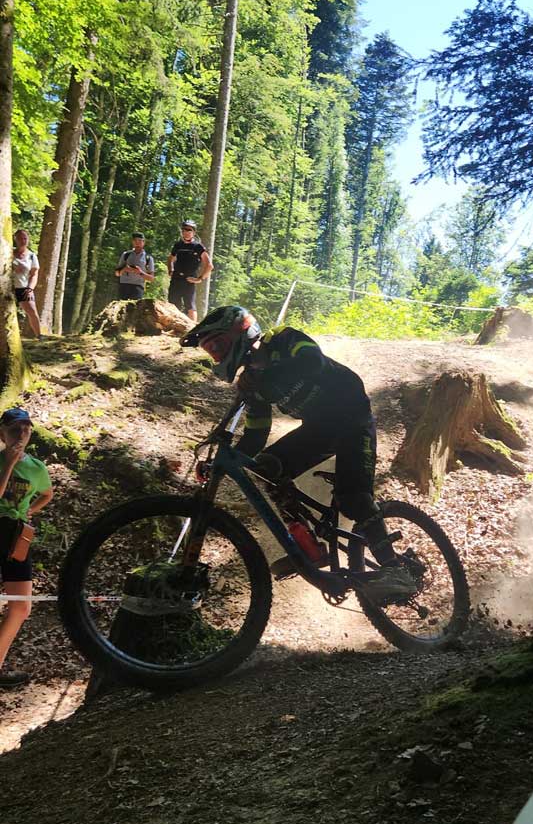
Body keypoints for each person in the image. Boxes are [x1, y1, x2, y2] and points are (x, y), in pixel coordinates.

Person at [180, 306, 415, 605]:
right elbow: (255, 436)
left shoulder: (283, 339)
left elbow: (312, 362)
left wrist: (265, 377)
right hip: (320, 429)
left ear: (240, 333)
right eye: (210, 351)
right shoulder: (252, 384)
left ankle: (396, 570)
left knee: (354, 499)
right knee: (266, 467)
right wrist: (222, 464)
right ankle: (309, 548)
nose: (216, 355)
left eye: (217, 346)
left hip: (353, 419)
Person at [0, 408, 53, 687]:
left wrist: (30, 510)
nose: (21, 434)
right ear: (2, 434)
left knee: (21, 606)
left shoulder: (37, 467)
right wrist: (9, 463)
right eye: (15, 429)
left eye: (26, 429)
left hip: (17, 534)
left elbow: (47, 493)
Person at [167, 220, 213, 321]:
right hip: (176, 279)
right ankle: (173, 327)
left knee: (190, 307)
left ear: (194, 232)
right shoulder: (178, 245)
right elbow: (170, 258)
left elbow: (209, 265)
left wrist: (200, 279)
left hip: (189, 280)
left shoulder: (198, 247)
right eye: (184, 230)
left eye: (189, 230)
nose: (186, 232)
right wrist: (170, 270)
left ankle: (193, 328)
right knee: (173, 306)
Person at [12, 229, 41, 338]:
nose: (23, 241)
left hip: (23, 287)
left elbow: (34, 275)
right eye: (20, 238)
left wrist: (30, 288)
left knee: (32, 312)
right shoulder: (7, 252)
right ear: (15, 239)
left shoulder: (32, 256)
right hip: (6, 287)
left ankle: (39, 336)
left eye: (25, 238)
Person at [114, 232, 155, 299]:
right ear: (132, 242)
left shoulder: (148, 258)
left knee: (135, 305)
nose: (137, 243)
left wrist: (140, 272)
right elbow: (117, 273)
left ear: (143, 242)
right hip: (123, 286)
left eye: (139, 241)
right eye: (135, 241)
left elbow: (151, 278)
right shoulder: (126, 255)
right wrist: (124, 269)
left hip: (138, 288)